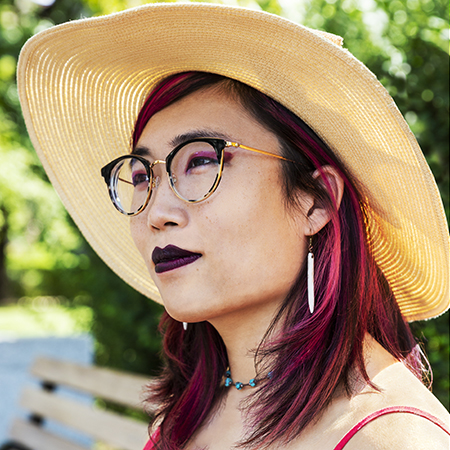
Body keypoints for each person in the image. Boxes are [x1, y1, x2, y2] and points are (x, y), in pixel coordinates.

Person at [17, 3, 449, 450]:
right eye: (143, 175)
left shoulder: (394, 437)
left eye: (202, 161)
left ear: (316, 201)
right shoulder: (191, 414)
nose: (157, 211)